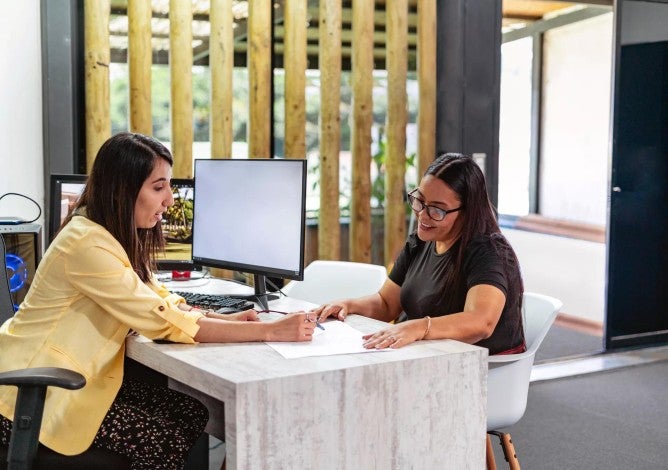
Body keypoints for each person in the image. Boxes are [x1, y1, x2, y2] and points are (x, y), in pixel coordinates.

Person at [0, 132, 317, 469]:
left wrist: (227, 319)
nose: (169, 200)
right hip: (29, 401)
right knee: (164, 437)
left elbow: (159, 297)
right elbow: (162, 321)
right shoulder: (86, 245)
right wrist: (271, 332)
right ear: (124, 190)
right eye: (158, 187)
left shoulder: (107, 236)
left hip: (68, 382)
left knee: (190, 411)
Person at [316, 153, 525, 355]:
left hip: (475, 370)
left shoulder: (489, 251)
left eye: (437, 209)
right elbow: (386, 304)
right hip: (426, 356)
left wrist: (418, 328)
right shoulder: (420, 242)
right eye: (420, 201)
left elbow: (481, 323)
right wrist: (348, 305)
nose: (422, 215)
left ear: (467, 212)